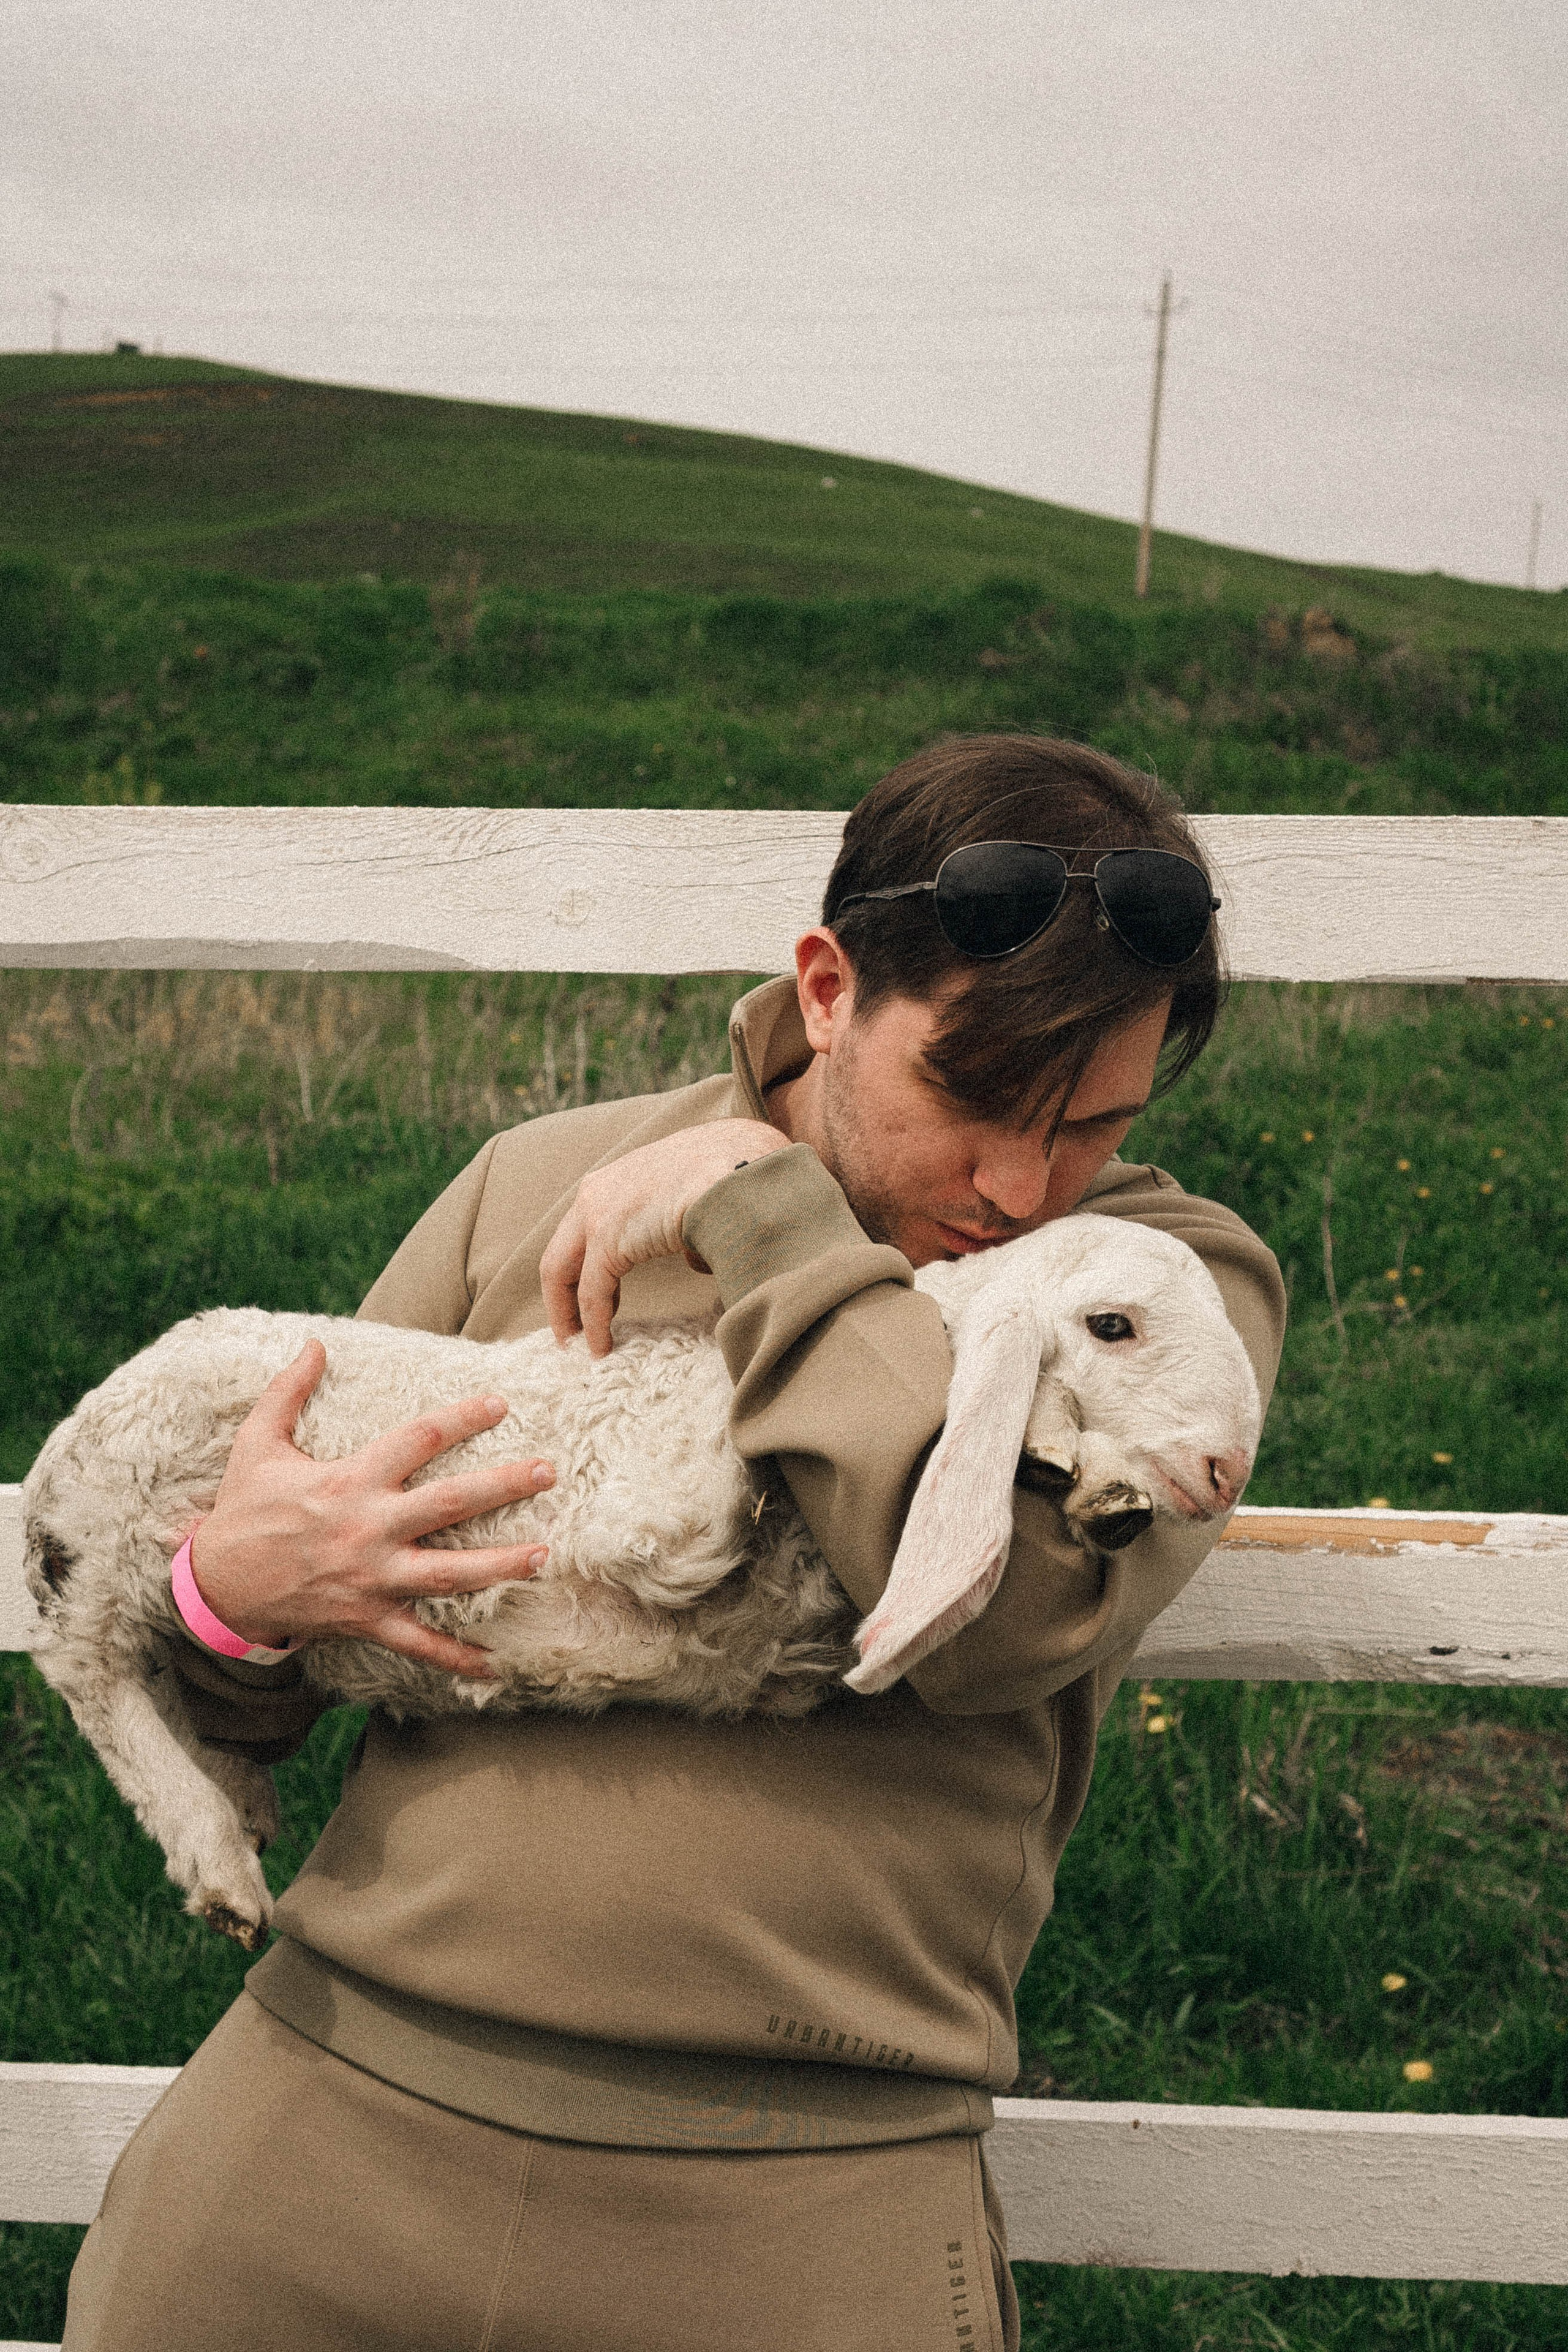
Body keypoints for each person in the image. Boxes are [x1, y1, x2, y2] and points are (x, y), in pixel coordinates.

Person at [62, 734, 1285, 2352]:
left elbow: (993, 1620)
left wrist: (766, 1214)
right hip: (327, 2130)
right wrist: (234, 1605)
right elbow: (251, 1721)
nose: (1018, 1185)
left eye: (1091, 1124)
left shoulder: (1157, 1281)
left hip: (798, 2211)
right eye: (978, 1100)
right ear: (830, 986)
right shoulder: (537, 1187)